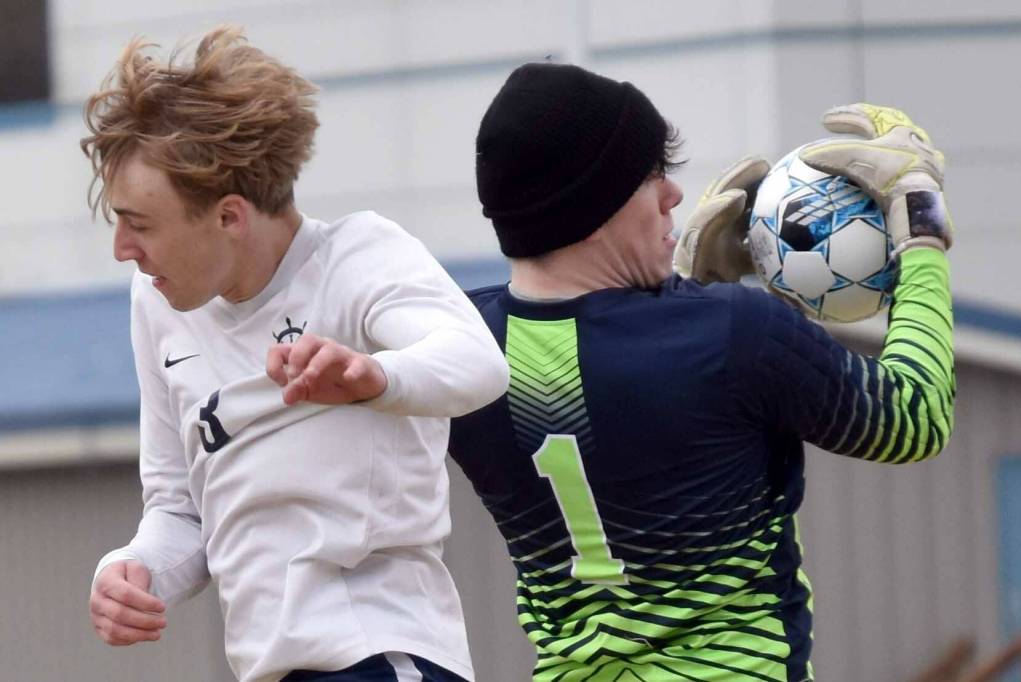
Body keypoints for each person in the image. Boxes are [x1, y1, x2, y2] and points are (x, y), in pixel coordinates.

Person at [446, 62, 954, 681]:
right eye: (651, 175)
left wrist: (690, 293)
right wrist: (921, 226)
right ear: (596, 203)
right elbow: (914, 416)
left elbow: (621, 377)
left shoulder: (459, 343)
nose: (674, 195)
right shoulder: (735, 334)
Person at [83, 27, 509, 682]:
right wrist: (134, 574)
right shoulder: (156, 303)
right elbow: (180, 510)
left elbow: (477, 363)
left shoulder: (358, 257)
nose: (123, 251)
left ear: (229, 216)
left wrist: (374, 376)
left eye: (139, 225)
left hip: (381, 656)